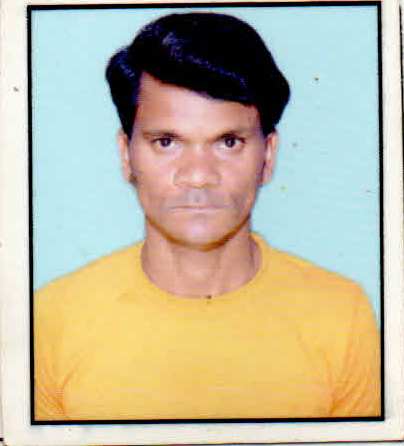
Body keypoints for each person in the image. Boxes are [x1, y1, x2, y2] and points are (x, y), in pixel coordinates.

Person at [34, 12, 380, 421]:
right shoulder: (52, 319)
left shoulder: (340, 315)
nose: (198, 175)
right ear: (126, 155)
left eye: (228, 142)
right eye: (166, 142)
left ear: (268, 156)